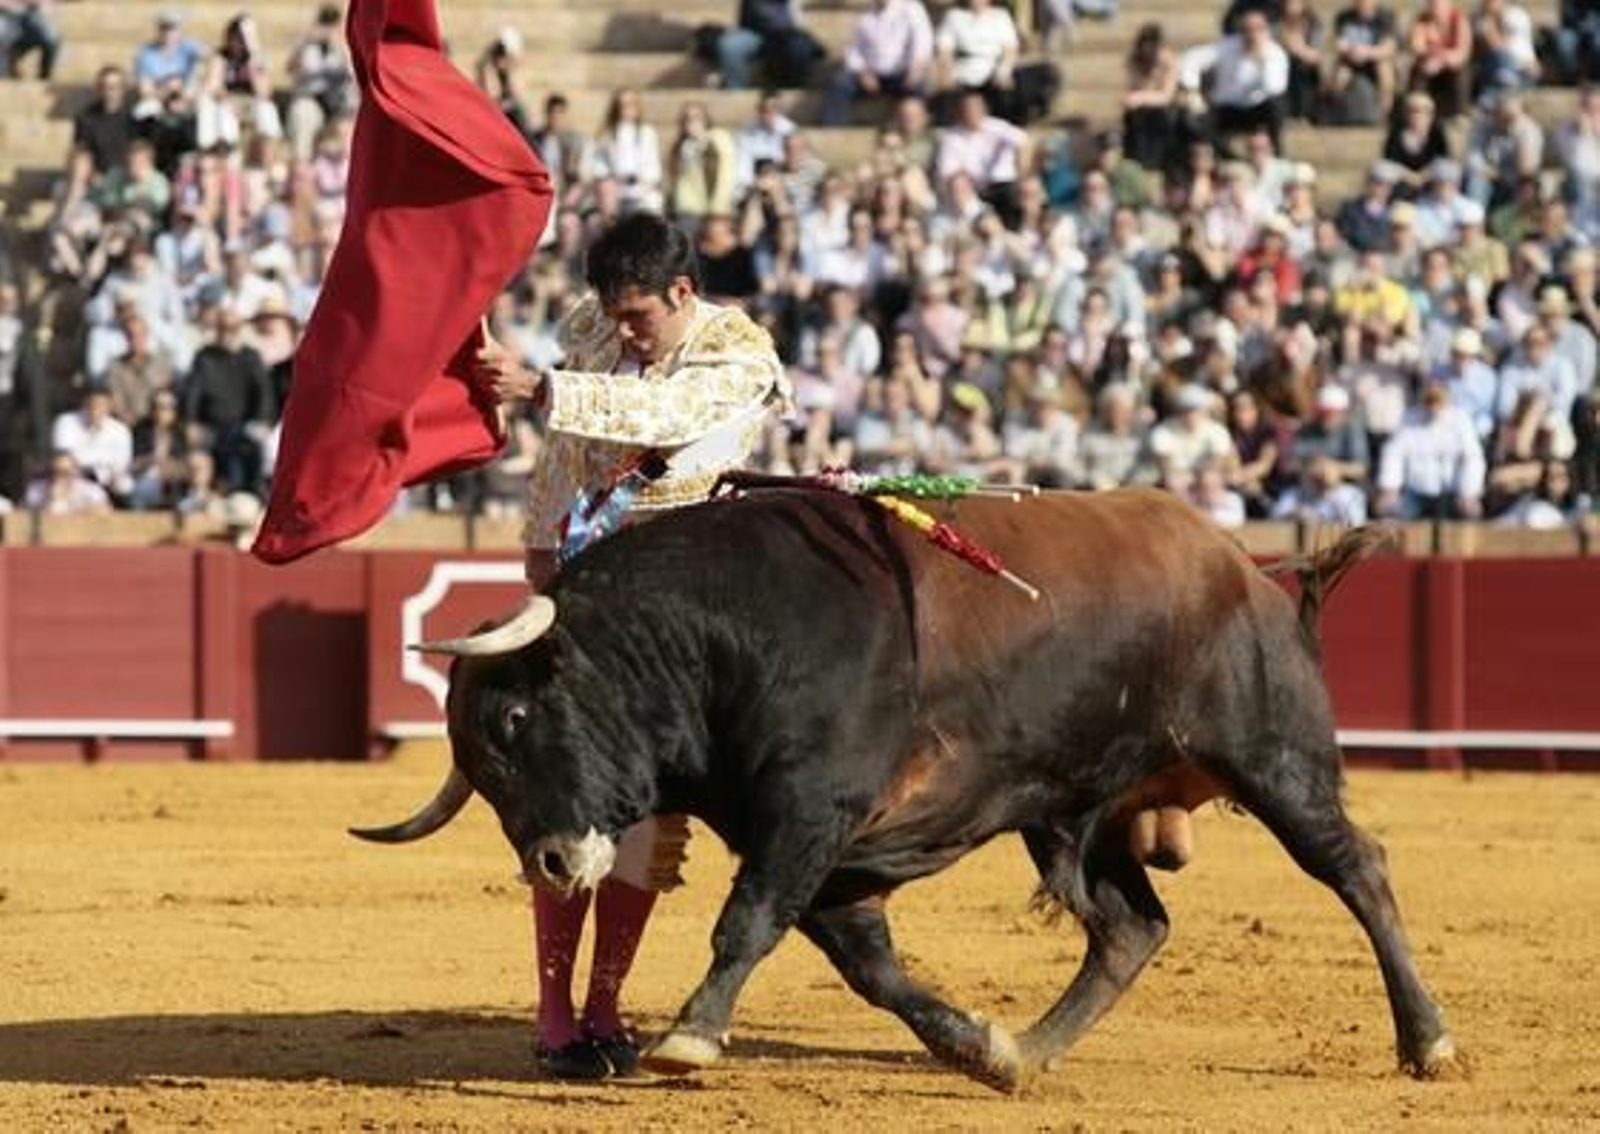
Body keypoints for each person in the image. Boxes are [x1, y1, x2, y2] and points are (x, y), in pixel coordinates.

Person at [472, 212, 788, 1080]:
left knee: (651, 820)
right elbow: (568, 460)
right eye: (611, 312)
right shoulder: (592, 327)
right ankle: (552, 1011)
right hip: (588, 603)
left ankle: (606, 1000)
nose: (621, 330)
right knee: (566, 801)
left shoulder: (739, 352)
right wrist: (541, 554)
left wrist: (539, 388)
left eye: (639, 315)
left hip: (683, 633)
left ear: (683, 294)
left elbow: (669, 411)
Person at [822, 0, 935, 126]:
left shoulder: (912, 8)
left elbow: (923, 40)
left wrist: (916, 68)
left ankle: (914, 130)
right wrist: (863, 72)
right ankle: (833, 129)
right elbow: (854, 50)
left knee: (919, 87)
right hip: (873, 77)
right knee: (841, 83)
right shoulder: (865, 16)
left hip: (903, 75)